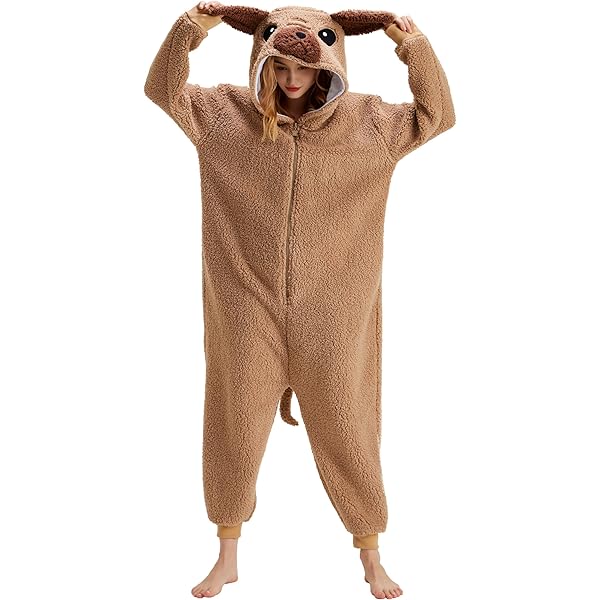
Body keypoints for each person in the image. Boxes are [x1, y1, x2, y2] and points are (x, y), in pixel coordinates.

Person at [144, 2, 455, 598]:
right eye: (280, 66)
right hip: (245, 309)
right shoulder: (223, 116)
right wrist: (190, 30)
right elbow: (162, 89)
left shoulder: (369, 125)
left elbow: (437, 114)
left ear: (330, 64)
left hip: (334, 314)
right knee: (233, 426)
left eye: (305, 68)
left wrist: (411, 47)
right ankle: (226, 555)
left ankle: (371, 555)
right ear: (262, 60)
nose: (292, 79)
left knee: (348, 428)